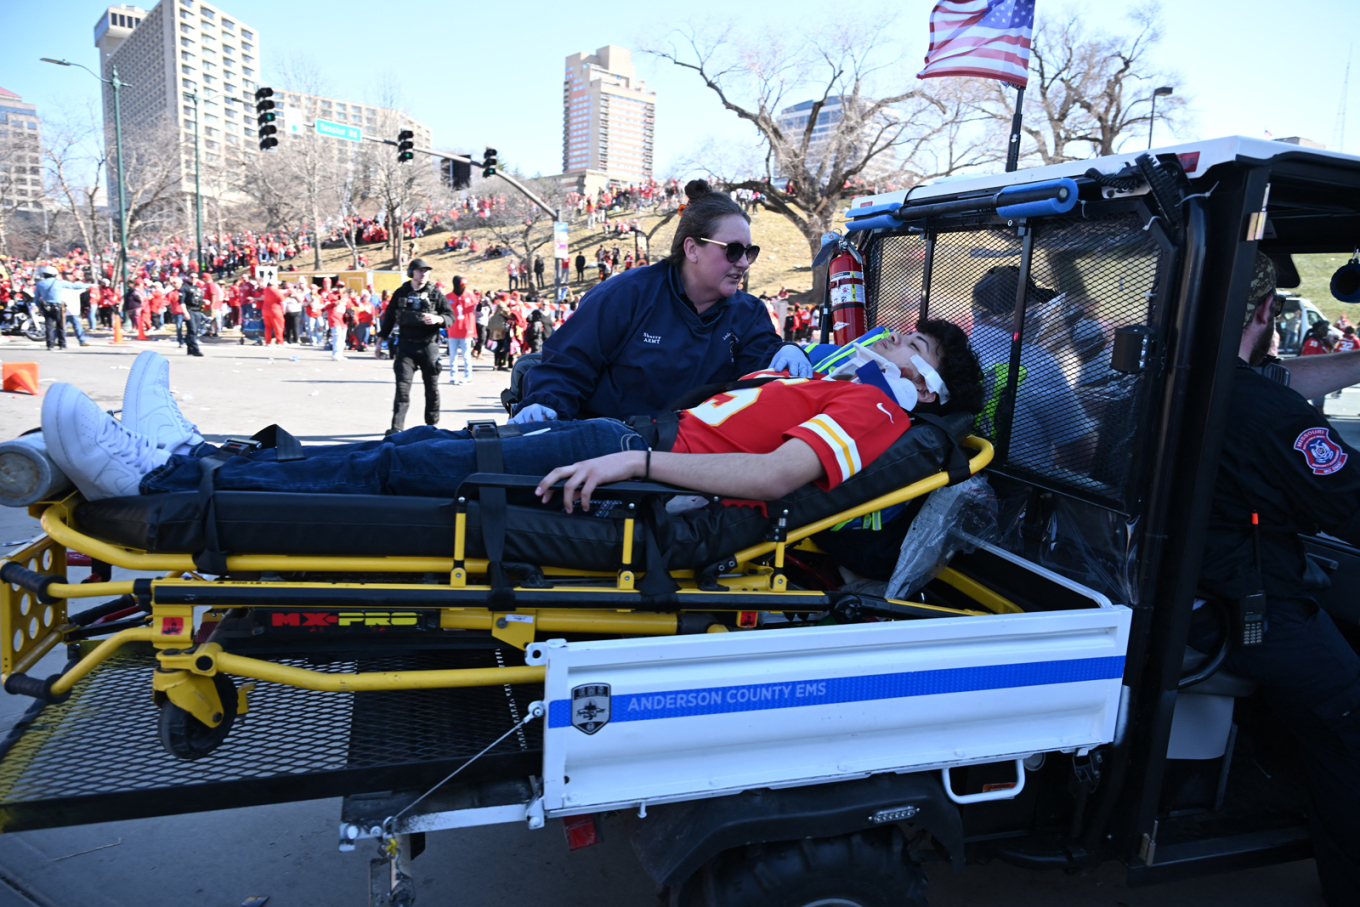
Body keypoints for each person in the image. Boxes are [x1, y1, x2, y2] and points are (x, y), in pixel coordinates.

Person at [39, 321, 981, 520]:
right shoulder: (840, 377)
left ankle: (159, 478)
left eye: (915, 347)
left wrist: (635, 462)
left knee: (403, 470)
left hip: (632, 453)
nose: (895, 343)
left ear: (927, 385)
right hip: (631, 434)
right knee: (411, 450)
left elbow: (776, 478)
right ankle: (192, 457)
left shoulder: (880, 407)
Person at [1194, 253, 1359, 907]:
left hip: (1197, 592)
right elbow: (1347, 503)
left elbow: (1272, 381)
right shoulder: (1271, 413)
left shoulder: (1163, 374)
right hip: (1251, 610)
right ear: (1265, 313)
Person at [510, 179, 803, 425]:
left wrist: (786, 350)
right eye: (734, 250)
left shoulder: (749, 313)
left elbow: (757, 377)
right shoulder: (624, 296)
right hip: (612, 448)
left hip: (695, 459)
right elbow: (567, 364)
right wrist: (544, 405)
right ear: (692, 248)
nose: (743, 263)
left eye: (750, 252)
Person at [968, 265, 1094, 471]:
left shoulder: (958, 350)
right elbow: (1081, 456)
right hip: (1024, 491)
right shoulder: (1036, 362)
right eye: (1036, 307)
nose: (1041, 315)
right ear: (1017, 313)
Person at [378, 258, 454, 435]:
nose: (424, 273)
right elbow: (389, 317)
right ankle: (396, 428)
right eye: (420, 270)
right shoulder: (401, 292)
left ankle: (431, 426)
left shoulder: (435, 293)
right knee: (402, 389)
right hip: (406, 347)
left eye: (426, 271)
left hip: (428, 347)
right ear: (412, 272)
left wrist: (439, 319)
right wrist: (380, 339)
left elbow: (450, 316)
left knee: (432, 389)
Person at [33, 266, 90, 350]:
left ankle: (50, 344)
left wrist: (38, 307)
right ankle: (62, 344)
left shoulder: (40, 284)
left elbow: (36, 298)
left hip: (46, 306)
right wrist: (89, 285)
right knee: (60, 325)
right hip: (58, 306)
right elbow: (73, 286)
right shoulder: (59, 283)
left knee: (49, 326)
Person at [445, 275, 476, 385]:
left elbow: (477, 309)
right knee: (452, 355)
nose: (464, 287)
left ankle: (468, 376)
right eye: (462, 285)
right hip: (453, 330)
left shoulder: (470, 296)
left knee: (466, 355)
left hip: (466, 330)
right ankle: (453, 375)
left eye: (465, 285)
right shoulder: (448, 297)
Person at [178, 275, 204, 358]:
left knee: (195, 330)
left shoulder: (197, 288)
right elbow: (182, 302)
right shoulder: (184, 288)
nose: (193, 279)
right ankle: (195, 350)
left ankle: (190, 348)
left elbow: (197, 300)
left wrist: (204, 302)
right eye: (191, 277)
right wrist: (185, 312)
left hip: (197, 310)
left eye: (195, 277)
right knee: (192, 330)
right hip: (190, 310)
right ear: (188, 278)